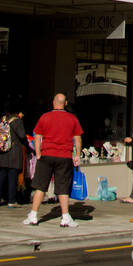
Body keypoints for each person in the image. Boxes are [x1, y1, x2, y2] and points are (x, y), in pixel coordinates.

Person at [23, 94, 83, 227]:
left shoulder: (45, 117)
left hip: (47, 155)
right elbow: (77, 139)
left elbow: (37, 137)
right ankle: (65, 217)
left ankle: (33, 215)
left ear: (53, 103)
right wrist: (77, 155)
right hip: (64, 156)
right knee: (63, 188)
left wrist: (38, 153)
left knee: (40, 186)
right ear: (65, 103)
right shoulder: (72, 118)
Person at [0, 109, 26, 208]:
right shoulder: (17, 121)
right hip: (12, 152)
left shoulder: (2, 120)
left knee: (0, 176)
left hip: (1, 152)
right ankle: (11, 200)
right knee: (12, 176)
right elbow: (22, 135)